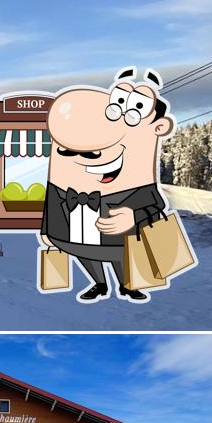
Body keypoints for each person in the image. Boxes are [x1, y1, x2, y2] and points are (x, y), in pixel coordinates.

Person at [41, 67, 183, 304]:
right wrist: (47, 230)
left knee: (120, 255)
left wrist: (133, 216)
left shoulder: (137, 186)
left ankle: (126, 285)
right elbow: (54, 203)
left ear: (158, 127)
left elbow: (154, 205)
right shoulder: (62, 185)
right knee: (85, 254)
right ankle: (99, 282)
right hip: (76, 235)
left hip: (118, 239)